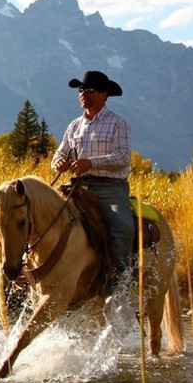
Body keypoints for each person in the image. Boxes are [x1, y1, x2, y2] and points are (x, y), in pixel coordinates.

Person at [51, 70, 134, 292]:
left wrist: (91, 163)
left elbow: (123, 158)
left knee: (123, 227)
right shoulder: (74, 126)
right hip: (79, 186)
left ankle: (120, 279)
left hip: (110, 188)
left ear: (103, 94)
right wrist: (59, 163)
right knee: (47, 217)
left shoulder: (118, 123)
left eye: (89, 90)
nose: (83, 94)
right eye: (81, 90)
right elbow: (59, 153)